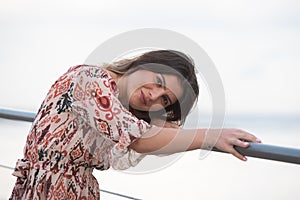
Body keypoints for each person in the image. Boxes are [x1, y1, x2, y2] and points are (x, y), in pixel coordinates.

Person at [10, 50, 261, 199]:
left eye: (164, 100)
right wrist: (210, 136)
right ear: (144, 63)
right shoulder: (92, 79)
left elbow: (138, 136)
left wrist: (170, 128)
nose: (153, 95)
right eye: (158, 81)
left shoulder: (115, 109)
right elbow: (138, 140)